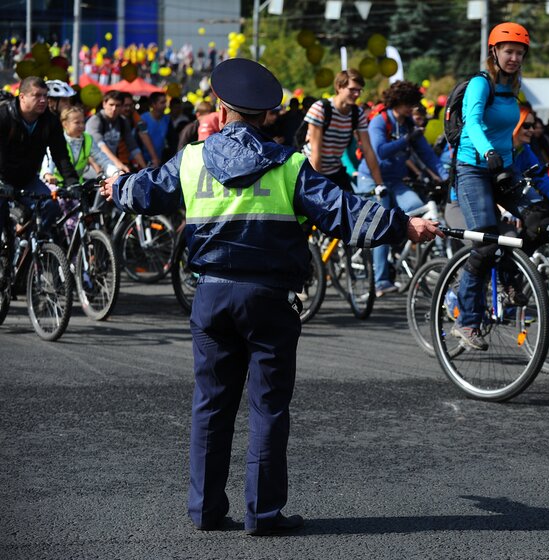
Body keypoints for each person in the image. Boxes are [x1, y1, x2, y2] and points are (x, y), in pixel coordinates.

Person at [100, 58, 441, 536]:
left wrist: (116, 187)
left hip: (211, 298)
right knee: (267, 408)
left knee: (211, 405)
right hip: (269, 301)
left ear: (221, 110)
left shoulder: (193, 158)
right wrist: (404, 225)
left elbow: (144, 190)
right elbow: (345, 213)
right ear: (268, 116)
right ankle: (262, 514)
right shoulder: (290, 165)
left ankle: (204, 510)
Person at [452, 21, 549, 351]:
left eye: (520, 53)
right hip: (473, 168)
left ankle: (509, 276)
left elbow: (509, 136)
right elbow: (473, 123)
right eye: (509, 51)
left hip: (502, 168)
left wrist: (506, 162)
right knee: (487, 240)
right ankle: (467, 321)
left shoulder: (513, 85)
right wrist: (488, 150)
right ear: (494, 51)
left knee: (541, 222)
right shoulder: (482, 84)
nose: (514, 58)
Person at [355, 80, 447, 296]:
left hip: (395, 181)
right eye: (408, 103)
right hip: (373, 180)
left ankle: (399, 253)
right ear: (397, 101)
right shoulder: (379, 122)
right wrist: (406, 140)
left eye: (413, 103)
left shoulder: (408, 124)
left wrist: (444, 177)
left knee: (417, 208)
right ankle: (381, 281)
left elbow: (427, 155)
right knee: (381, 226)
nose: (411, 108)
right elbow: (381, 151)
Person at [0, 76, 77, 232]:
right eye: (37, 95)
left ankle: (33, 248)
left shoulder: (50, 121)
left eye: (45, 95)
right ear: (22, 97)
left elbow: (60, 154)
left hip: (27, 179)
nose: (43, 100)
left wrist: (72, 182)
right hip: (2, 178)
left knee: (51, 206)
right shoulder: (3, 116)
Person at [301, 69, 385, 193]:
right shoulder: (320, 109)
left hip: (335, 170)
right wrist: (316, 187)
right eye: (352, 89)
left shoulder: (357, 113)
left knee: (350, 207)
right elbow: (315, 153)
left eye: (359, 90)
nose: (357, 94)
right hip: (310, 170)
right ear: (339, 87)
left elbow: (368, 150)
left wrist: (379, 184)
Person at [86, 90, 147, 174]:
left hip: (112, 166)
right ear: (104, 104)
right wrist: (118, 164)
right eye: (111, 105)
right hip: (93, 168)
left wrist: (145, 169)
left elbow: (133, 147)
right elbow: (100, 145)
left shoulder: (122, 121)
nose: (114, 109)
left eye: (117, 105)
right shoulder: (95, 120)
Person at [140, 91, 177, 166]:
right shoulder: (142, 119)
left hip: (160, 160)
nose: (165, 105)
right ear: (153, 104)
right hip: (143, 161)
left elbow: (172, 140)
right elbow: (141, 137)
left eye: (165, 102)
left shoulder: (167, 119)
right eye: (162, 103)